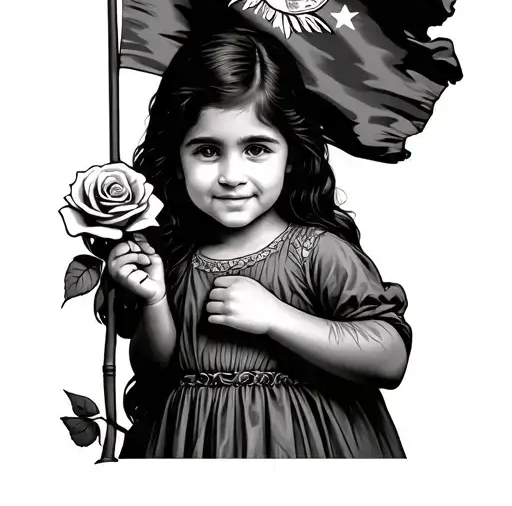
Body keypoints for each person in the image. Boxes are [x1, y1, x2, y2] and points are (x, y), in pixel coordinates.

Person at [107, 27, 412, 458]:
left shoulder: (316, 252)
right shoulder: (174, 257)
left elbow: (389, 358)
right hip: (193, 449)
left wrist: (276, 317)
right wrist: (155, 300)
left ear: (292, 156)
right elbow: (155, 370)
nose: (232, 175)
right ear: (175, 159)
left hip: (307, 452)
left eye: (256, 149)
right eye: (208, 151)